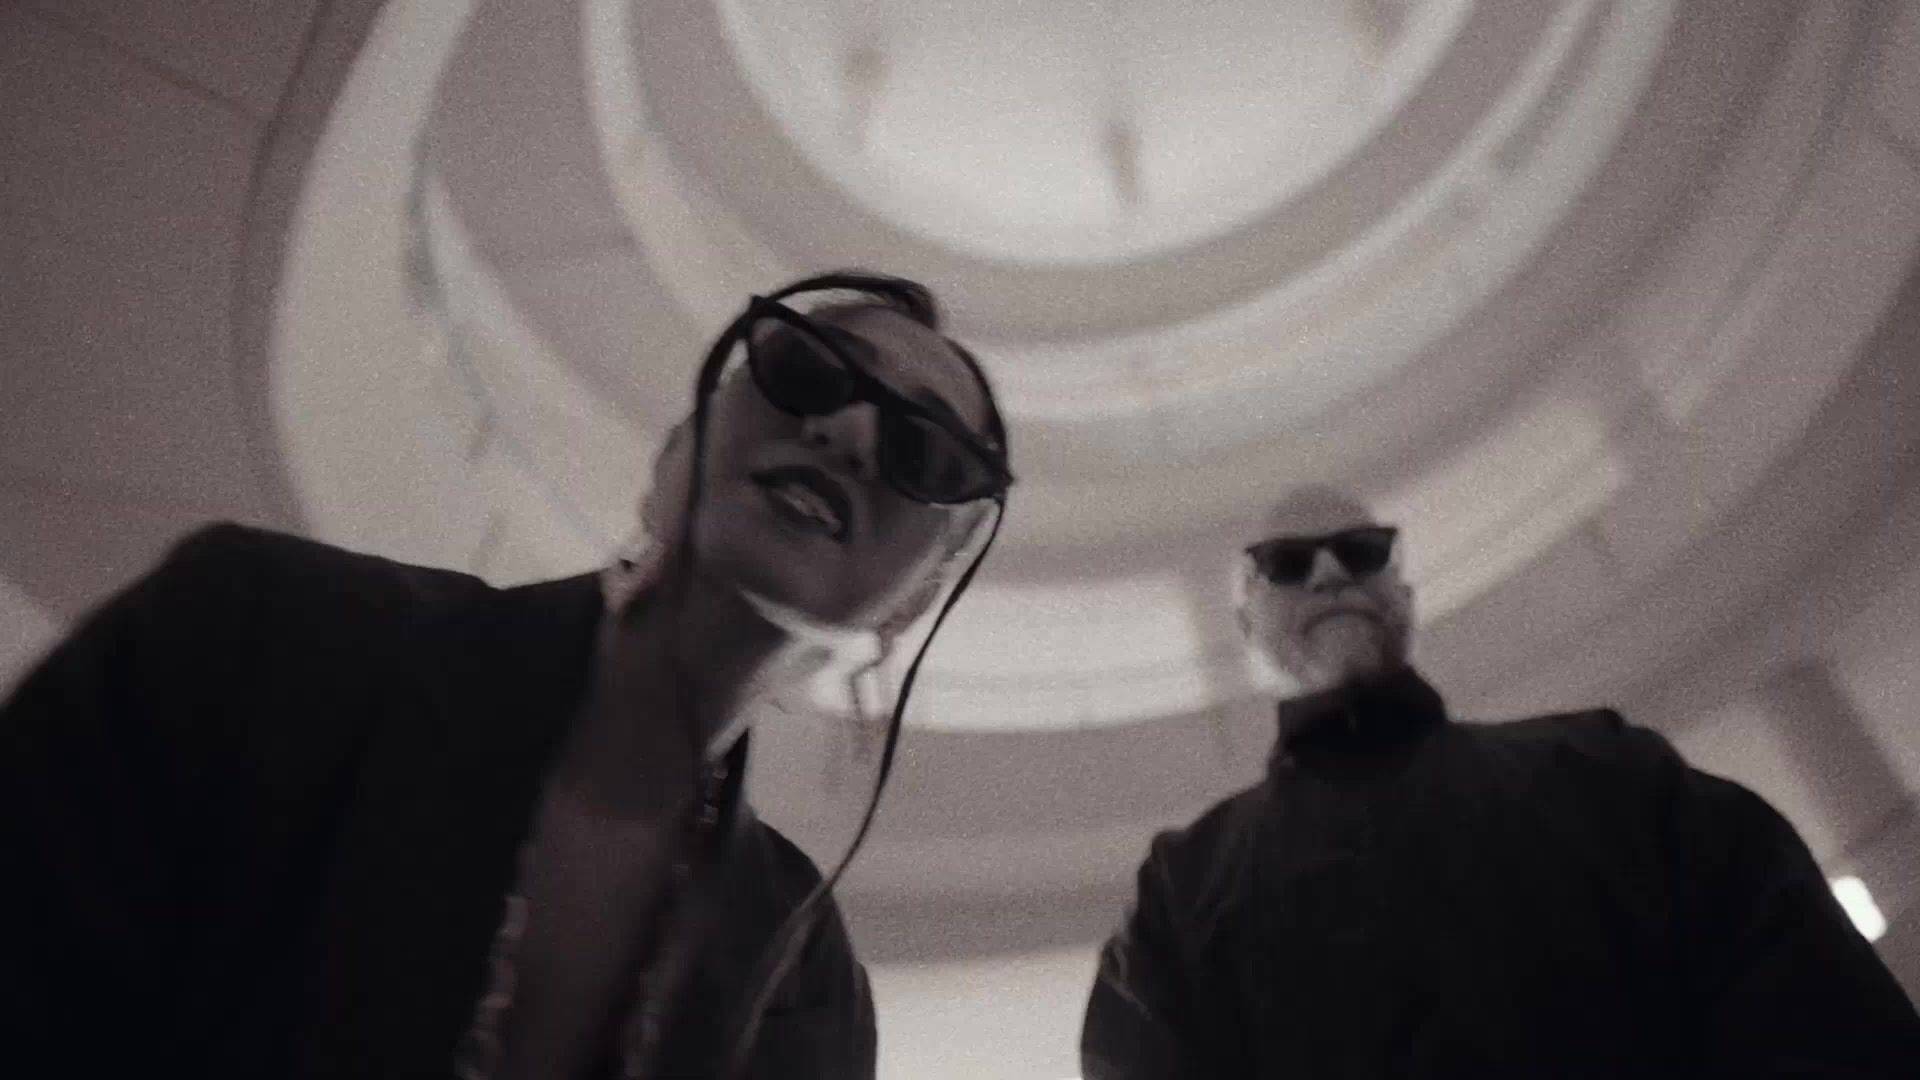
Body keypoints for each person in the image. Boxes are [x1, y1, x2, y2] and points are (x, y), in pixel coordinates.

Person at [0, 271, 1014, 1080]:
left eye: (925, 451)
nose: (848, 433)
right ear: (675, 450)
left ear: (916, 597)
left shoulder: (806, 981)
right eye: (807, 372)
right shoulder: (262, 631)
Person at [1081, 485, 1920, 1078]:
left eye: (1362, 552)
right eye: (1289, 562)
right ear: (1246, 622)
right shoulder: (1179, 892)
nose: (1331, 575)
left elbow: (1818, 1017)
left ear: (1403, 590)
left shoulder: (1610, 770)